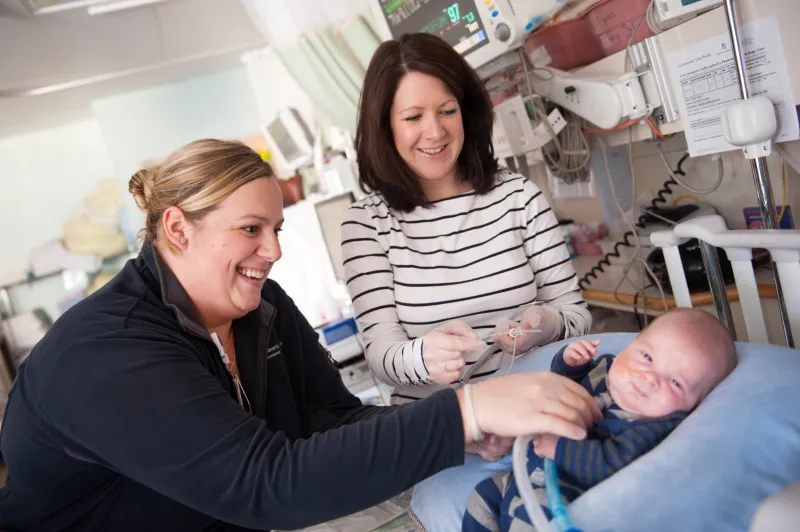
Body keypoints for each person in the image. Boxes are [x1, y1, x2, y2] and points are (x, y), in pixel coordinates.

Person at [0, 139, 602, 532]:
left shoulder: (260, 309)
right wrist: (464, 412)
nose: (274, 250)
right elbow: (266, 484)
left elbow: (331, 418)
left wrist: (463, 437)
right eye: (251, 229)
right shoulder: (107, 353)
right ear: (178, 230)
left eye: (278, 228)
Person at [341, 33, 592, 458]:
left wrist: (544, 325)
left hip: (538, 417)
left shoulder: (518, 197)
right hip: (443, 436)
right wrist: (424, 357)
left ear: (466, 112)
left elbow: (576, 317)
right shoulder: (367, 224)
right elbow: (382, 356)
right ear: (383, 126)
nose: (434, 131)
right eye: (413, 117)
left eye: (447, 111)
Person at [463, 308, 738, 532]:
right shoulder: (603, 370)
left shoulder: (653, 425)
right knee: (483, 497)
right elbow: (559, 391)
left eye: (676, 382)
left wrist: (560, 448)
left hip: (563, 487)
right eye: (646, 357)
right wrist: (570, 365)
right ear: (629, 348)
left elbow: (611, 462)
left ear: (695, 404)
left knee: (528, 520)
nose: (650, 378)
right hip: (518, 475)